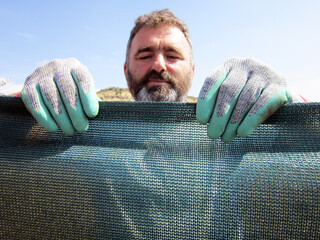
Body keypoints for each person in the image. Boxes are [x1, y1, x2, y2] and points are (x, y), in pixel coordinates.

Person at [19, 9, 303, 142]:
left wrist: (293, 108)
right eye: (144, 55)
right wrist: (18, 100)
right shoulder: (88, 132)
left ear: (193, 71)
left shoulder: (236, 131)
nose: (158, 65)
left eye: (173, 55)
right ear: (125, 70)